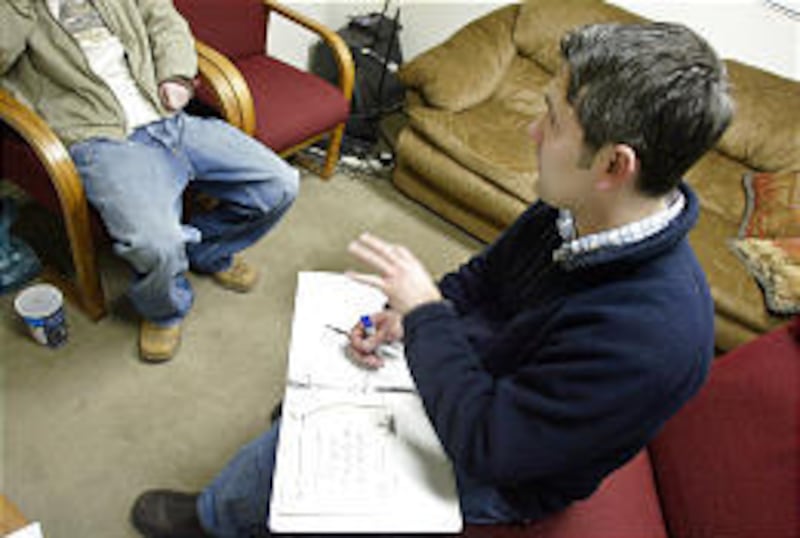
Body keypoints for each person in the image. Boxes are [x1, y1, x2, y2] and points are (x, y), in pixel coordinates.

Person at [130, 20, 733, 536]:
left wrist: (424, 315)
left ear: (613, 164)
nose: (532, 132)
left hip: (507, 465)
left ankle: (214, 518)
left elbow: (489, 443)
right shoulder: (576, 209)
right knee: (322, 370)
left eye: (550, 118)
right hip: (483, 376)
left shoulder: (652, 336)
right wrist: (411, 315)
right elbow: (482, 279)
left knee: (293, 444)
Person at [0, 0, 299, 362]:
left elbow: (166, 23)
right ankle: (164, 308)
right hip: (103, 140)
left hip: (169, 116)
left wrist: (176, 75)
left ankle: (207, 250)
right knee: (155, 243)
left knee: (278, 185)